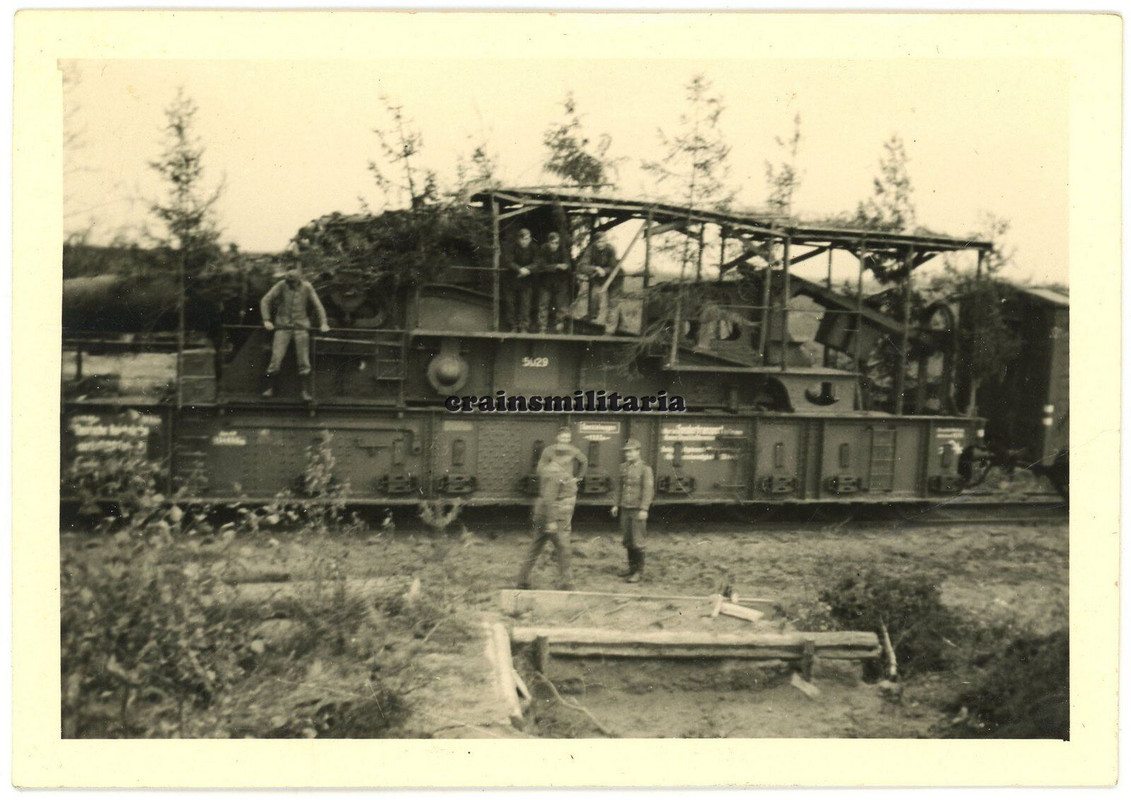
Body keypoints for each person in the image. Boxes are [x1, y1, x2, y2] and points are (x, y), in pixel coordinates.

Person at [260, 268, 330, 401]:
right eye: (288, 282)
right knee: (276, 358)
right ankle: (269, 388)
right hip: (283, 327)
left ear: (299, 281)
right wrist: (266, 320)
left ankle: (304, 391)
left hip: (300, 328)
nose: (289, 285)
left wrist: (324, 323)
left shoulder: (307, 287)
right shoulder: (281, 285)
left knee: (303, 360)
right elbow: (265, 300)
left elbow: (318, 306)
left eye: (292, 282)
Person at [516, 448, 577, 591]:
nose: (569, 462)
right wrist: (551, 521)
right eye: (567, 459)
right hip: (552, 516)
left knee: (535, 547)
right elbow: (549, 498)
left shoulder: (548, 470)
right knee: (564, 549)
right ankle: (566, 584)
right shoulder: (556, 473)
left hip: (542, 514)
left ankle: (522, 580)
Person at [611, 438, 654, 583]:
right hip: (625, 508)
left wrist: (644, 508)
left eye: (630, 451)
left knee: (638, 542)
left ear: (638, 451)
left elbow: (648, 490)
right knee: (628, 540)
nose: (627, 454)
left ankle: (639, 572)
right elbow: (619, 487)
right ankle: (631, 568)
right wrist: (616, 505)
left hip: (637, 510)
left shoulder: (645, 469)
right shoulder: (623, 467)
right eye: (626, 452)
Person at [579, 230, 624, 334]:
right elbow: (582, 266)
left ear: (606, 241)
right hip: (600, 278)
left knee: (613, 303)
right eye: (598, 242)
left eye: (603, 242)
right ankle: (593, 315)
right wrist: (595, 268)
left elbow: (613, 267)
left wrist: (604, 270)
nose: (601, 244)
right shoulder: (591, 250)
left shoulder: (610, 249)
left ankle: (609, 331)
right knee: (594, 294)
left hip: (615, 278)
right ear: (594, 242)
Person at [501, 228, 540, 332]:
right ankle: (513, 326)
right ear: (518, 239)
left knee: (526, 304)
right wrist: (519, 269)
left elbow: (537, 262)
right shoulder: (512, 247)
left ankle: (524, 327)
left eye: (526, 239)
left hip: (527, 280)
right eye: (522, 239)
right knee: (510, 303)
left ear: (530, 238)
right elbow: (508, 261)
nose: (524, 242)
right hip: (511, 279)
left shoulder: (534, 248)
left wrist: (528, 269)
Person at [536, 231, 573, 333]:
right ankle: (542, 329)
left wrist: (563, 266)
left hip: (560, 282)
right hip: (545, 282)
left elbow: (567, 265)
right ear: (548, 243)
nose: (554, 245)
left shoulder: (563, 250)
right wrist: (556, 266)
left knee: (561, 306)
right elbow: (540, 265)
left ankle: (559, 329)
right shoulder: (543, 249)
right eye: (552, 243)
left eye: (556, 243)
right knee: (543, 304)